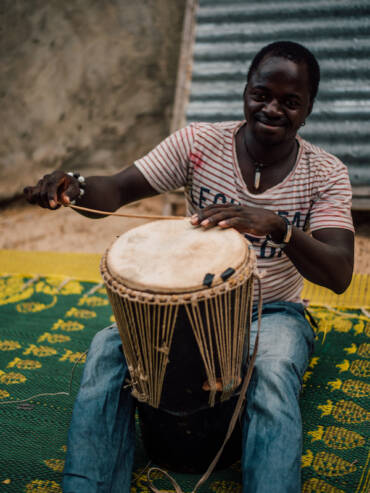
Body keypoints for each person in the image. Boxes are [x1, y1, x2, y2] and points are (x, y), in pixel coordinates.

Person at [24, 41, 354, 493]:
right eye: (262, 94)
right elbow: (117, 191)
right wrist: (75, 187)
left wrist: (278, 228)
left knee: (273, 373)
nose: (272, 108)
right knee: (108, 349)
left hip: (273, 311)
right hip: (185, 304)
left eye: (290, 101)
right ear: (245, 91)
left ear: (308, 108)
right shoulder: (199, 144)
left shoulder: (327, 173)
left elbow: (338, 274)